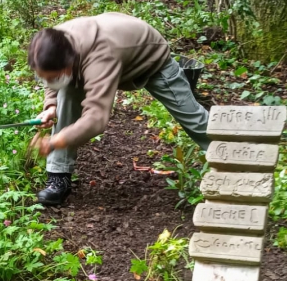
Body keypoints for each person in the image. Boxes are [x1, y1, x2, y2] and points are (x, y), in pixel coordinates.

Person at [27, 13, 209, 206]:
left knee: (193, 117)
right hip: (97, 56)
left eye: (53, 77)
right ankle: (58, 178)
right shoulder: (53, 44)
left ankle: (231, 154)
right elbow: (50, 75)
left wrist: (56, 140)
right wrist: (51, 105)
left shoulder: (100, 56)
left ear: (67, 63)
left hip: (150, 59)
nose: (48, 82)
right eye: (43, 77)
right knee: (67, 93)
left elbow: (96, 118)